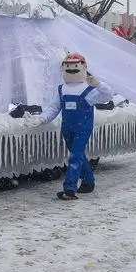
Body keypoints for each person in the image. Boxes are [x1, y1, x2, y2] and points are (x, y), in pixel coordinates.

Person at [25, 53, 114, 201]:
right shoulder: (61, 89)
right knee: (78, 155)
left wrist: (98, 84)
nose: (71, 69)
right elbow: (54, 108)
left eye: (75, 66)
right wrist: (41, 119)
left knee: (75, 156)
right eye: (68, 66)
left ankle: (69, 189)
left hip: (82, 128)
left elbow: (107, 95)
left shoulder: (89, 90)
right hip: (67, 129)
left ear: (83, 67)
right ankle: (88, 181)